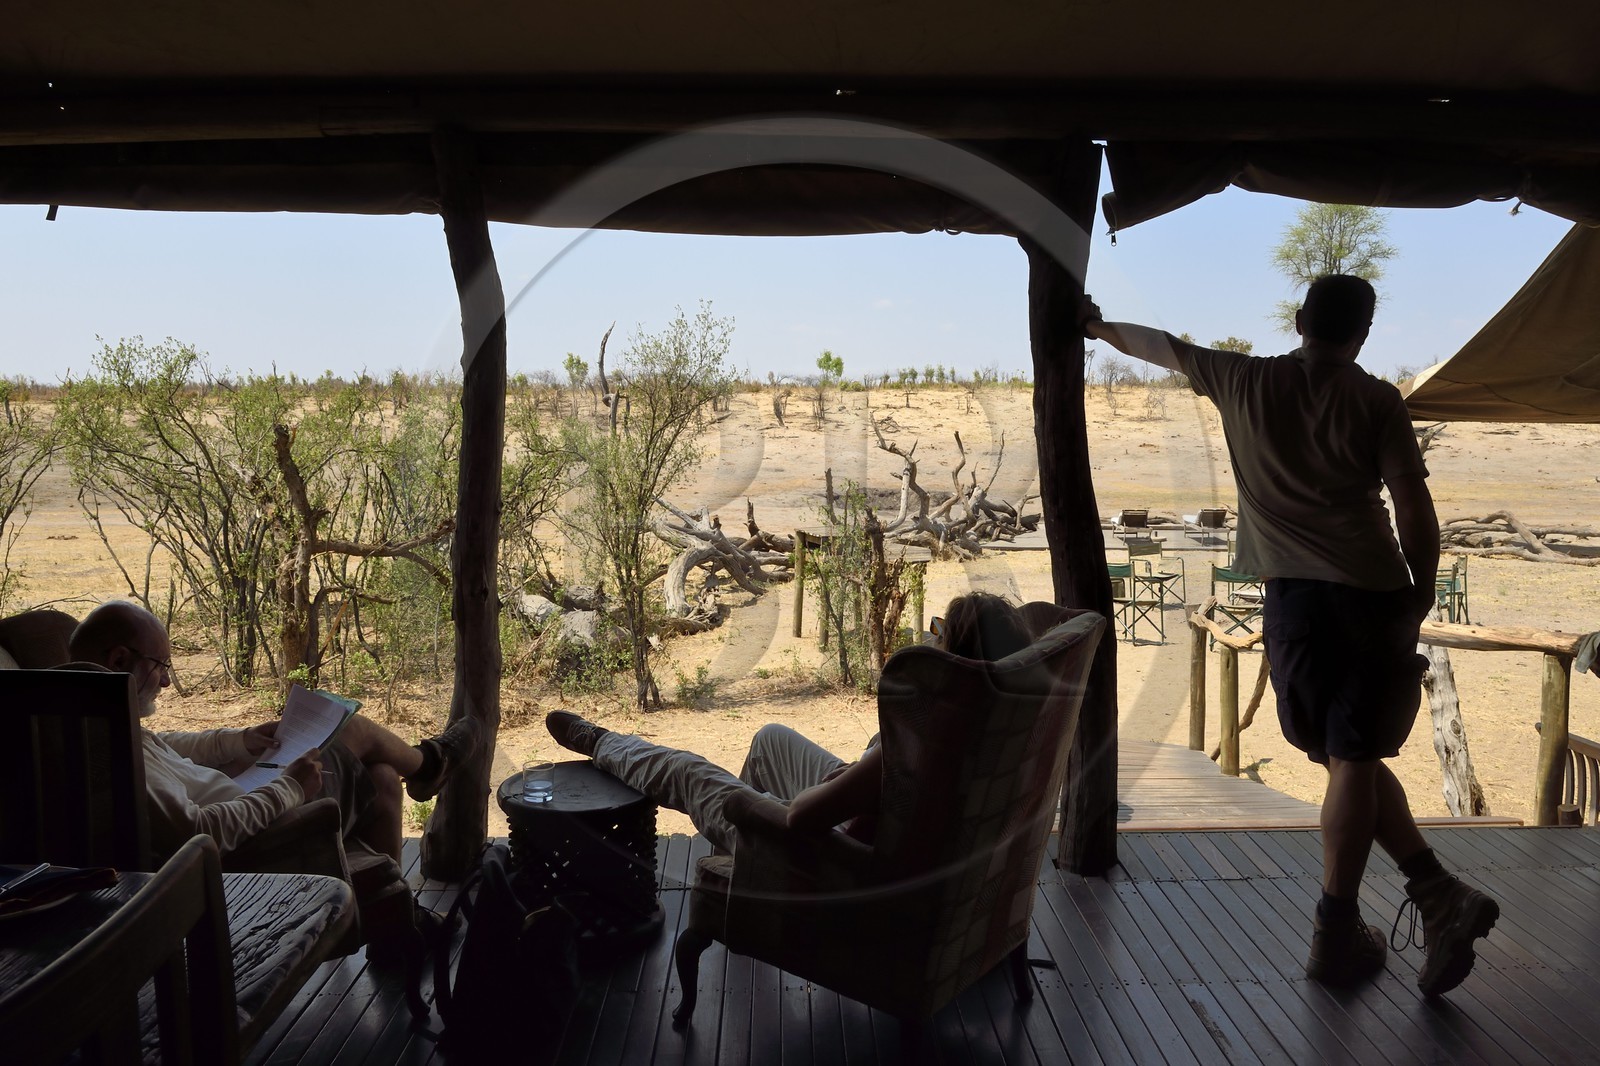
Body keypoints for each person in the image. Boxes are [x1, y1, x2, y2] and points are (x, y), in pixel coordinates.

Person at [1080, 275, 1498, 994]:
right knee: (1351, 761)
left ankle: (1349, 926)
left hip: (1295, 605)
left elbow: (1166, 348)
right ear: (1362, 334)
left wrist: (1095, 327)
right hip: (1372, 598)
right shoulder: (1376, 401)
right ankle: (1429, 897)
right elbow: (1413, 507)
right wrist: (1421, 593)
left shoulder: (1243, 380)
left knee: (1345, 758)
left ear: (1299, 319)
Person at [544, 592, 1034, 852]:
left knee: (687, 772)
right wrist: (864, 776)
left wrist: (841, 788)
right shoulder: (997, 734)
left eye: (942, 635)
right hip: (874, 830)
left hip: (832, 862)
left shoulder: (919, 748)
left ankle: (604, 744)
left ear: (956, 664)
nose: (933, 641)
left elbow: (802, 819)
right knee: (770, 739)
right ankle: (742, 860)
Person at [68, 600, 476, 866]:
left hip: (252, 804)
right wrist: (289, 788)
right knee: (349, 727)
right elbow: (199, 834)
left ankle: (397, 921)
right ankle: (429, 764)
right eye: (161, 665)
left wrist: (238, 739)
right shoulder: (111, 751)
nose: (166, 683)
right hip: (264, 840)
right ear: (120, 659)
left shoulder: (86, 721)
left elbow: (164, 746)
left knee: (384, 776)